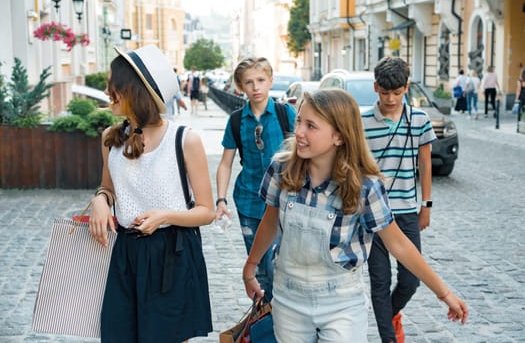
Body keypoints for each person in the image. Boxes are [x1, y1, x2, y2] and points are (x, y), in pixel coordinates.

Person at [242, 88, 468, 342]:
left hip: (341, 303)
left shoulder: (364, 186)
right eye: (299, 122)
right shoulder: (282, 169)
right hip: (289, 298)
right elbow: (270, 221)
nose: (299, 132)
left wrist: (443, 293)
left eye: (311, 126)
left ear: (339, 136)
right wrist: (251, 266)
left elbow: (398, 244)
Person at [89, 45, 215, 342]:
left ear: (133, 90)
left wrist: (165, 216)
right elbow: (107, 188)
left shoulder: (184, 139)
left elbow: (207, 211)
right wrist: (100, 200)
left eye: (114, 83)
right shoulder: (110, 138)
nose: (108, 90)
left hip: (171, 254)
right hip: (125, 254)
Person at [361, 56, 436, 343]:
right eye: (384, 92)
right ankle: (388, 338)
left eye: (396, 92)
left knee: (410, 279)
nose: (390, 99)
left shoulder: (419, 120)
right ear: (376, 87)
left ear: (406, 87)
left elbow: (425, 164)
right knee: (379, 282)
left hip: (406, 211)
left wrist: (426, 206)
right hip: (373, 215)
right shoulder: (362, 121)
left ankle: (390, 315)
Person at [215, 56, 296, 301]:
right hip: (249, 201)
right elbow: (225, 163)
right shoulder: (237, 120)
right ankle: (265, 322)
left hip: (284, 201)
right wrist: (221, 200)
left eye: (261, 80)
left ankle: (282, 320)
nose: (256, 87)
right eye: (249, 82)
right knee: (259, 267)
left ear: (270, 81)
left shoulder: (286, 113)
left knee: (281, 264)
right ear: (240, 87)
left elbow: (304, 153)